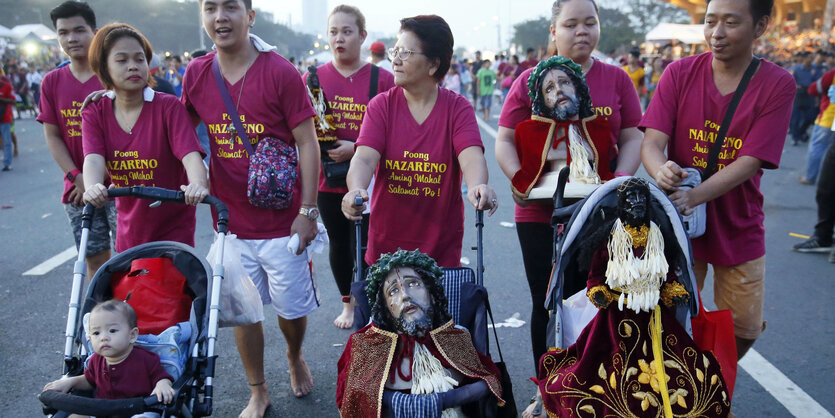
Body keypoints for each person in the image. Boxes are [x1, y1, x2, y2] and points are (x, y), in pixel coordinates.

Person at [494, 1, 643, 414]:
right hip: (539, 215)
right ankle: (546, 390)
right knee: (546, 301)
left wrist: (619, 181)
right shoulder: (528, 80)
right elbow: (504, 140)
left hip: (599, 212)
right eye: (571, 24)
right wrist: (518, 181)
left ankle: (594, 386)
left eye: (590, 23)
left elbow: (632, 136)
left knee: (598, 297)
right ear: (553, 30)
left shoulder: (616, 78)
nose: (582, 31)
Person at [182, 0, 321, 413]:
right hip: (231, 222)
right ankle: (258, 389)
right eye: (210, 8)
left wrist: (309, 211)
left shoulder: (280, 72)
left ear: (250, 16)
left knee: (291, 311)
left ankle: (294, 356)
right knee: (243, 312)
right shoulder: (196, 73)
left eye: (230, 7)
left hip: (284, 221)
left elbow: (307, 142)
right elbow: (176, 127)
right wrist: (113, 95)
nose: (220, 17)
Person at [641, 0, 793, 363]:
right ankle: (688, 392)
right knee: (666, 316)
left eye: (730, 22)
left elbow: (750, 161)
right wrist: (659, 168)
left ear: (760, 27)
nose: (717, 33)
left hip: (737, 221)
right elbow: (651, 142)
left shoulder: (777, 84)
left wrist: (695, 195)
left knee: (744, 326)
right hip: (677, 222)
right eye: (710, 22)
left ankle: (711, 381)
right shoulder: (678, 73)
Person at [537, 178, 730, 417]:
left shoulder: (658, 237)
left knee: (684, 369)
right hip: (616, 316)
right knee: (605, 367)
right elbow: (597, 275)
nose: (637, 203)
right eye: (631, 199)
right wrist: (599, 291)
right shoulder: (610, 239)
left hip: (655, 316)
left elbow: (666, 273)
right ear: (621, 205)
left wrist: (673, 290)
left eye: (642, 199)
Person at [341, 14, 498, 270]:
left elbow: (471, 156)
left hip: (440, 254)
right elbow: (364, 158)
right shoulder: (381, 106)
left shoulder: (457, 109)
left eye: (406, 53)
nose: (396, 60)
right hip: (385, 252)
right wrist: (356, 189)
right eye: (395, 51)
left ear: (433, 64)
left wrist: (479, 185)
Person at [303, 5, 395, 330]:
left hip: (373, 178)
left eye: (346, 31)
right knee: (341, 244)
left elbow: (395, 129)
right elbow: (301, 131)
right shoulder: (313, 78)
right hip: (329, 180)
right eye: (333, 32)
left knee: (372, 243)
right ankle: (348, 302)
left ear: (362, 36)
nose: (339, 38)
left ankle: (373, 302)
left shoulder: (382, 79)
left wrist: (355, 147)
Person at [81, 23, 208, 253]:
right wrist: (92, 187)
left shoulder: (167, 106)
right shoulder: (95, 111)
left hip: (173, 232)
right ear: (104, 67)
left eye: (139, 59)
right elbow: (93, 159)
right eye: (122, 60)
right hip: (129, 230)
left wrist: (197, 184)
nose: (133, 67)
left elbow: (190, 155)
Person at [336, 249, 505, 418]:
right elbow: (354, 393)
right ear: (386, 309)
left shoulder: (453, 336)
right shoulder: (368, 344)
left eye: (413, 284)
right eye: (393, 291)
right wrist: (397, 401)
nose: (405, 296)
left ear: (431, 295)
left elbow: (489, 379)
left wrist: (444, 400)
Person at [38, 1, 116, 279]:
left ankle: (132, 321)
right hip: (78, 190)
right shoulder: (51, 82)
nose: (71, 38)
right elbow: (53, 135)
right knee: (95, 262)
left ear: (95, 32)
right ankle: (101, 322)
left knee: (131, 260)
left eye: (79, 30)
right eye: (63, 32)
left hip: (122, 185)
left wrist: (100, 179)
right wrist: (78, 178)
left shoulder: (114, 74)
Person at [43, 299, 175, 417]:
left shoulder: (145, 358)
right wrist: (69, 382)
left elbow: (161, 376)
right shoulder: (96, 359)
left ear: (132, 335)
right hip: (103, 410)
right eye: (96, 333)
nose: (103, 337)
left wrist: (162, 384)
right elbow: (90, 380)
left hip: (139, 411)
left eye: (112, 331)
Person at [797, 66, 835, 185]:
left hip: (829, 116)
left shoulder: (832, 74)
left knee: (818, 147)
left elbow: (813, 89)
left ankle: (811, 176)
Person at [789, 51, 815, 145]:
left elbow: (816, 81)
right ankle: (795, 137)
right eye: (808, 57)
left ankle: (800, 133)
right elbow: (790, 81)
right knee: (795, 118)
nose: (810, 59)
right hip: (798, 95)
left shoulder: (813, 69)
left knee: (809, 117)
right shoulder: (796, 69)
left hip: (809, 95)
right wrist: (796, 86)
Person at [0, 71, 13, 171]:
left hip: (5, 119)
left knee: (7, 141)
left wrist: (2, 99)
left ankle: (7, 163)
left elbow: (14, 101)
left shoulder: (6, 86)